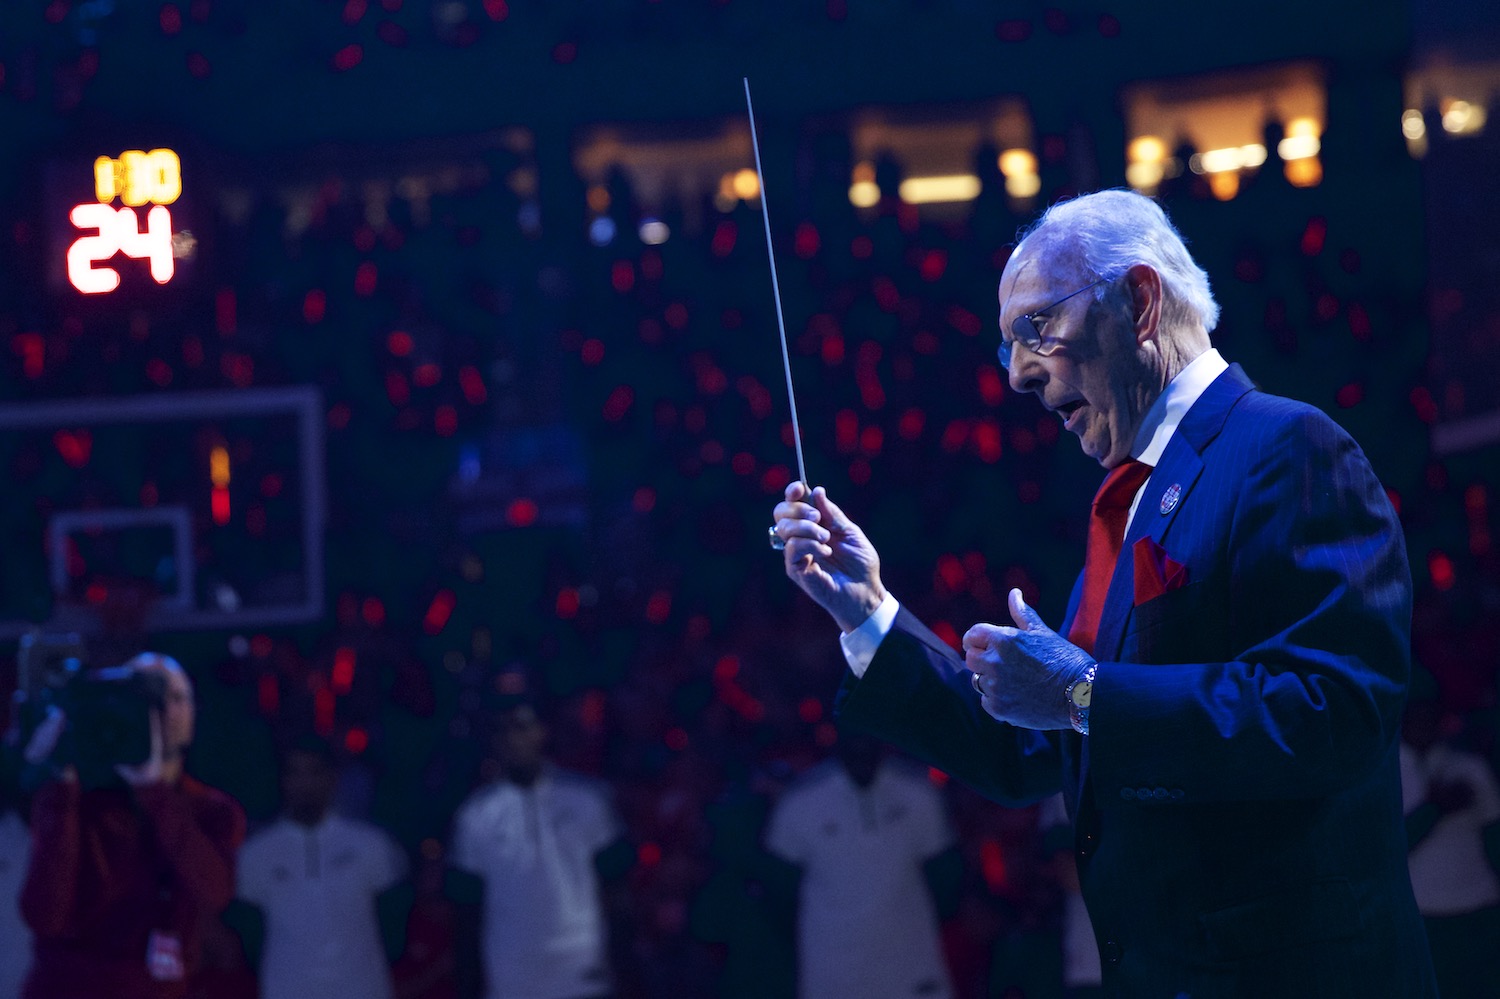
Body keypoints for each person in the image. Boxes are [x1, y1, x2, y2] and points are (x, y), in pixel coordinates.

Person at [771, 189, 1437, 997]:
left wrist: (1086, 693)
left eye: (1035, 328)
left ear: (1140, 301)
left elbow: (1336, 712)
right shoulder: (1137, 496)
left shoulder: (1287, 446)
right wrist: (866, 610)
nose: (1018, 373)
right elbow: (1034, 746)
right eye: (1008, 345)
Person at [19, 652, 245, 999]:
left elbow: (214, 891)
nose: (164, 711)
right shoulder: (77, 803)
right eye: (146, 699)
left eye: (176, 698)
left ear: (194, 712)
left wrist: (152, 791)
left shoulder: (211, 809)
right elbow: (44, 914)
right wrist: (60, 778)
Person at [448, 696, 632, 999]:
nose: (514, 739)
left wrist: (622, 966)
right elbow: (467, 914)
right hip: (512, 980)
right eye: (503, 731)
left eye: (523, 728)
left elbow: (617, 893)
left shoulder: (588, 801)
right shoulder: (475, 817)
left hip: (582, 973)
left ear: (542, 731)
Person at [763, 732, 958, 999]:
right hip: (832, 971)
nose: (861, 753)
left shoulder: (918, 794)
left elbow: (945, 880)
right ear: (837, 742)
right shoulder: (800, 804)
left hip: (910, 964)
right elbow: (779, 892)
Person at [235, 737, 410, 999]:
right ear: (283, 780)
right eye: (295, 773)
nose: (305, 784)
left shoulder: (372, 846)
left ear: (332, 777)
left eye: (314, 772)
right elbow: (249, 935)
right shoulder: (255, 855)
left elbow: (395, 926)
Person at [1400, 690, 1500, 999]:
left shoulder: (1469, 766)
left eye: (1430, 715)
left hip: (1478, 904)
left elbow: (1494, 834)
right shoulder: (1382, 773)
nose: (1423, 722)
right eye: (1415, 714)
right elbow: (1384, 849)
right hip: (1420, 913)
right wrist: (1435, 808)